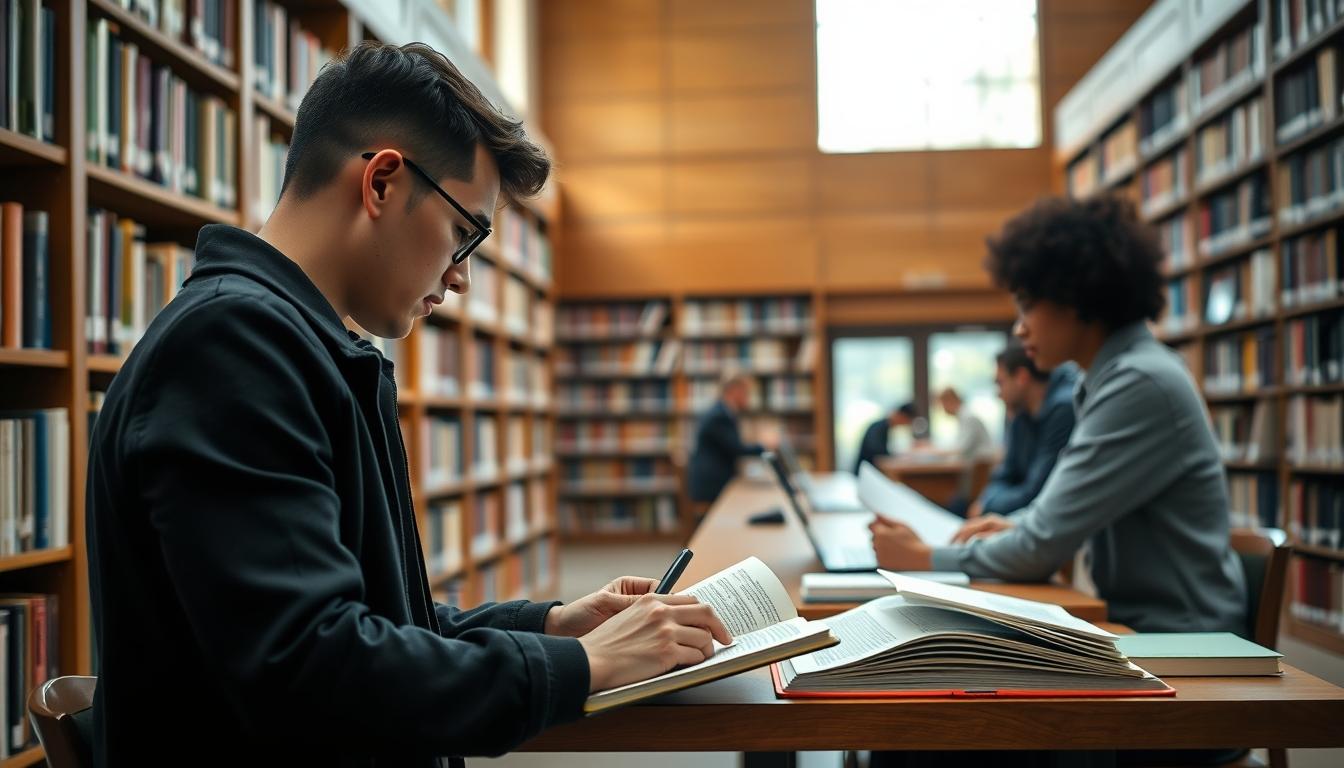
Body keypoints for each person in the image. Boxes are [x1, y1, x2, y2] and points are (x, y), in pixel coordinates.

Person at [85, 42, 731, 766]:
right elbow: (314, 669)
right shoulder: (233, 349)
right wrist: (589, 665)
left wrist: (551, 627)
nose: (460, 278)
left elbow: (369, 625)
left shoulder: (299, 347)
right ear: (383, 182)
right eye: (463, 233)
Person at [869, 195, 1246, 637]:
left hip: (1185, 639)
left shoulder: (1138, 384)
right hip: (1146, 624)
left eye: (1028, 304)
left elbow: (1040, 549)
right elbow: (1062, 516)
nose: (1020, 328)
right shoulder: (1110, 378)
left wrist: (923, 558)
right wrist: (1018, 524)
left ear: (1078, 298)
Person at [967, 343, 1078, 519]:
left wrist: (987, 505)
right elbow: (1004, 475)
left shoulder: (1063, 409)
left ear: (1021, 377)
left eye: (1000, 383)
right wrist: (986, 502)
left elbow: (1036, 492)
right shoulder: (1020, 413)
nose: (998, 393)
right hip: (1019, 515)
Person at [688, 369, 776, 507]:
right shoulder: (719, 416)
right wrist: (765, 445)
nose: (749, 398)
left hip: (717, 479)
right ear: (735, 391)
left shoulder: (723, 411)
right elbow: (737, 449)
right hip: (711, 484)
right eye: (747, 392)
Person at [853, 402, 916, 474]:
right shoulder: (878, 427)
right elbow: (876, 450)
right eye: (907, 421)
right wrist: (895, 456)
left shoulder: (885, 427)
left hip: (871, 470)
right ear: (902, 416)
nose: (904, 424)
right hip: (867, 472)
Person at [935, 387, 994, 461]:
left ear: (950, 401)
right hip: (975, 460)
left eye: (943, 405)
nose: (943, 410)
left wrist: (937, 452)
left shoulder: (968, 418)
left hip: (981, 462)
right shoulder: (963, 416)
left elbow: (961, 448)